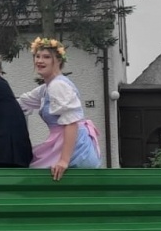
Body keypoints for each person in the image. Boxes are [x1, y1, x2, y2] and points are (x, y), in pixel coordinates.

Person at [17, 37, 102, 179]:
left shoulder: (58, 85)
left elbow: (71, 123)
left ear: (58, 60)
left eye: (46, 57)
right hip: (61, 142)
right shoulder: (46, 88)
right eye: (37, 56)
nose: (39, 61)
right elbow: (21, 102)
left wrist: (64, 160)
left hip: (73, 146)